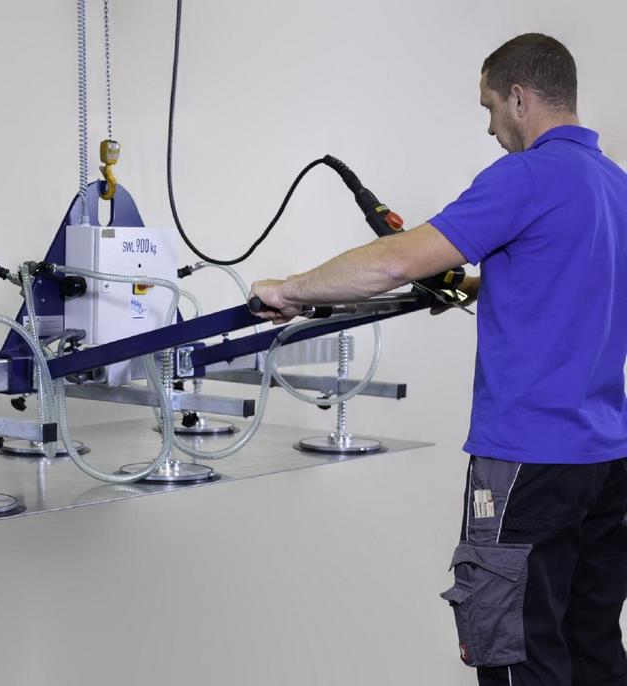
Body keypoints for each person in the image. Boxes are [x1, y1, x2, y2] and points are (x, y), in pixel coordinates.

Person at [250, 33, 627, 686]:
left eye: (489, 108)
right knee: (590, 646)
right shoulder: (614, 184)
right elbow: (579, 282)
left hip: (528, 460)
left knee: (515, 654)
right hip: (607, 460)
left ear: (519, 98)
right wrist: (480, 286)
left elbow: (395, 261)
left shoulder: (525, 176)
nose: (490, 128)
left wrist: (289, 290)